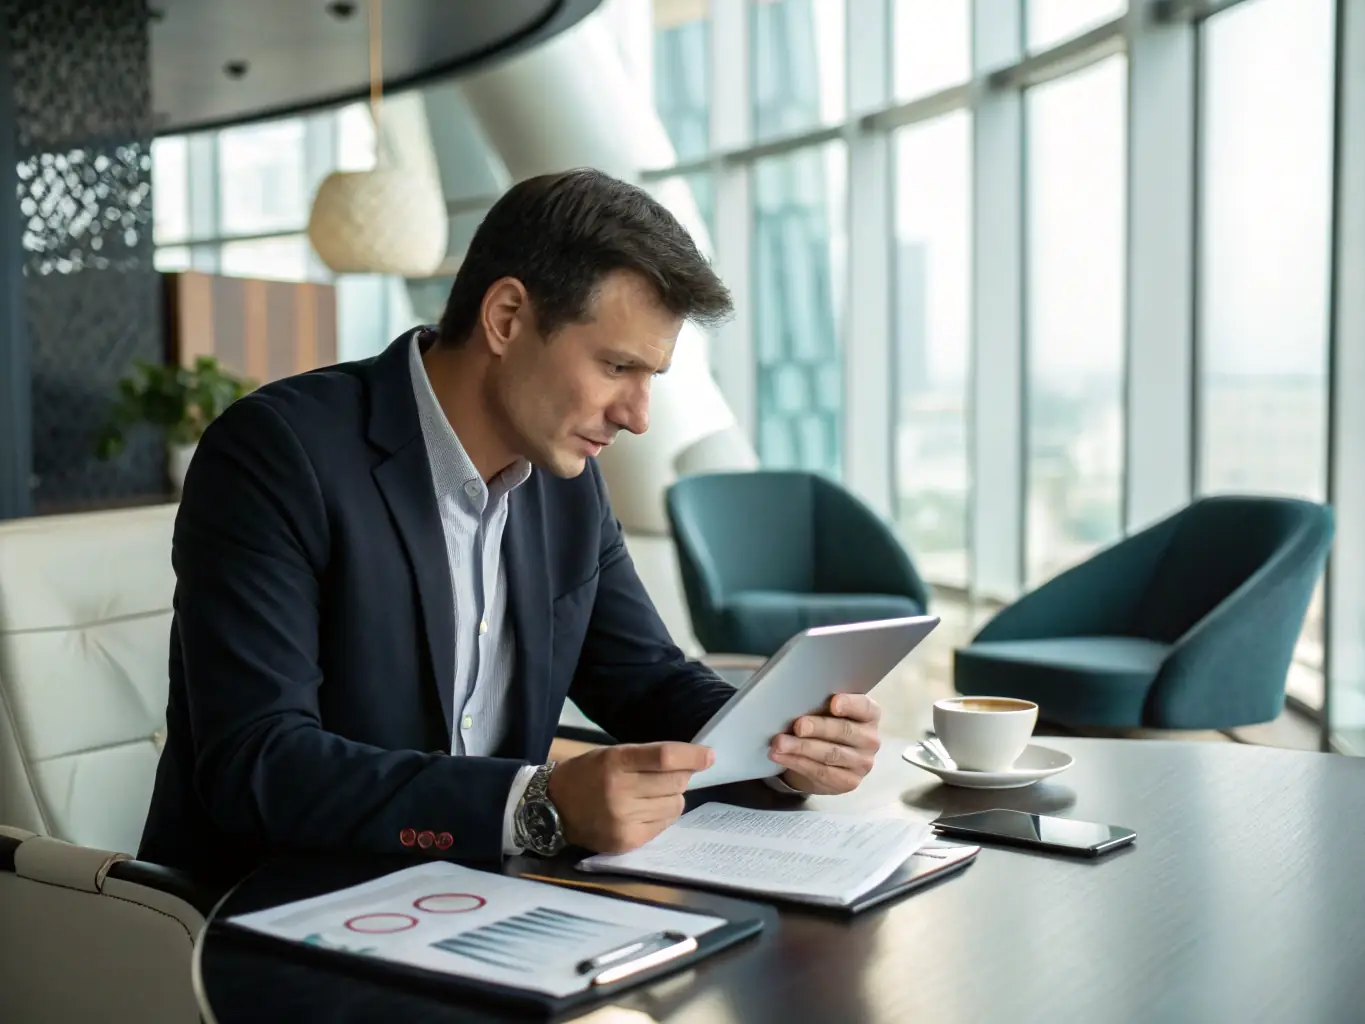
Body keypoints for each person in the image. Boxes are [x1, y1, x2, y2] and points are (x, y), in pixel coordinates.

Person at [138, 167, 883, 888]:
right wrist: (537, 804)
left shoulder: (565, 484)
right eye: (616, 366)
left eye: (651, 377)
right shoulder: (277, 454)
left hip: (487, 899)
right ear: (505, 318)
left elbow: (645, 679)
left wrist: (783, 744)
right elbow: (259, 764)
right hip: (278, 909)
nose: (637, 414)